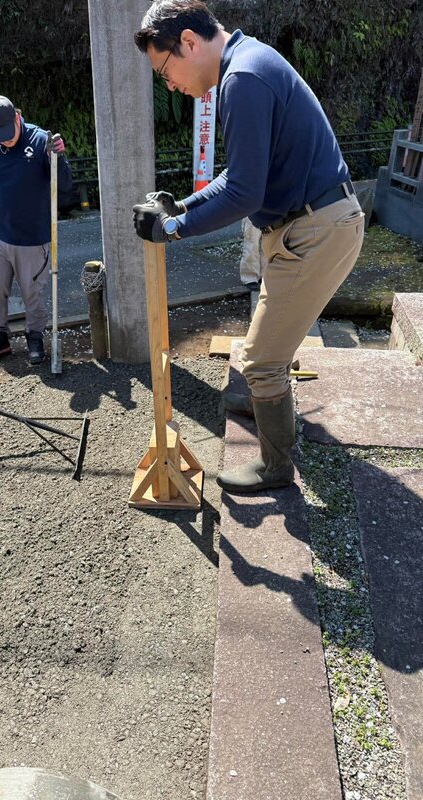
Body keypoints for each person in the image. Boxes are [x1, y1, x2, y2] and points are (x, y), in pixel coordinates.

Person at [133, 0, 364, 493]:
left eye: (165, 71)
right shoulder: (247, 62)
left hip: (316, 229)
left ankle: (275, 468)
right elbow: (237, 177)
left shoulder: (242, 80)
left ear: (188, 42)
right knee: (267, 345)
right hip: (309, 223)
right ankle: (264, 396)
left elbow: (243, 193)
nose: (169, 85)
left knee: (260, 360)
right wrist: (182, 207)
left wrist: (173, 229)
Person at [0, 95, 73, 365]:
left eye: (9, 133)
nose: (5, 141)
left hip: (33, 237)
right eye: (0, 136)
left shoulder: (40, 141)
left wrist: (58, 158)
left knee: (32, 294)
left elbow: (65, 187)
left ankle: (35, 336)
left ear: (17, 118)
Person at [239, 217, 266, 291]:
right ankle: (250, 277)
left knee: (266, 243)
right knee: (252, 245)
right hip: (252, 215)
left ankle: (263, 274)